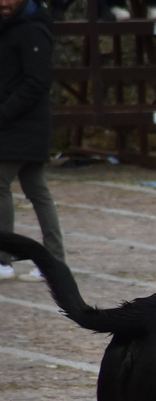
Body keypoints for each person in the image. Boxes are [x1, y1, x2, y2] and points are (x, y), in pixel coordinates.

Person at [0, 0, 63, 282]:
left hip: (23, 125)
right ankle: (54, 261)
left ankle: (3, 259)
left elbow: (37, 81)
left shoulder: (33, 29)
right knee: (37, 190)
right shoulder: (9, 26)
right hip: (16, 124)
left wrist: (4, 112)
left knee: (1, 183)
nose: (4, 2)